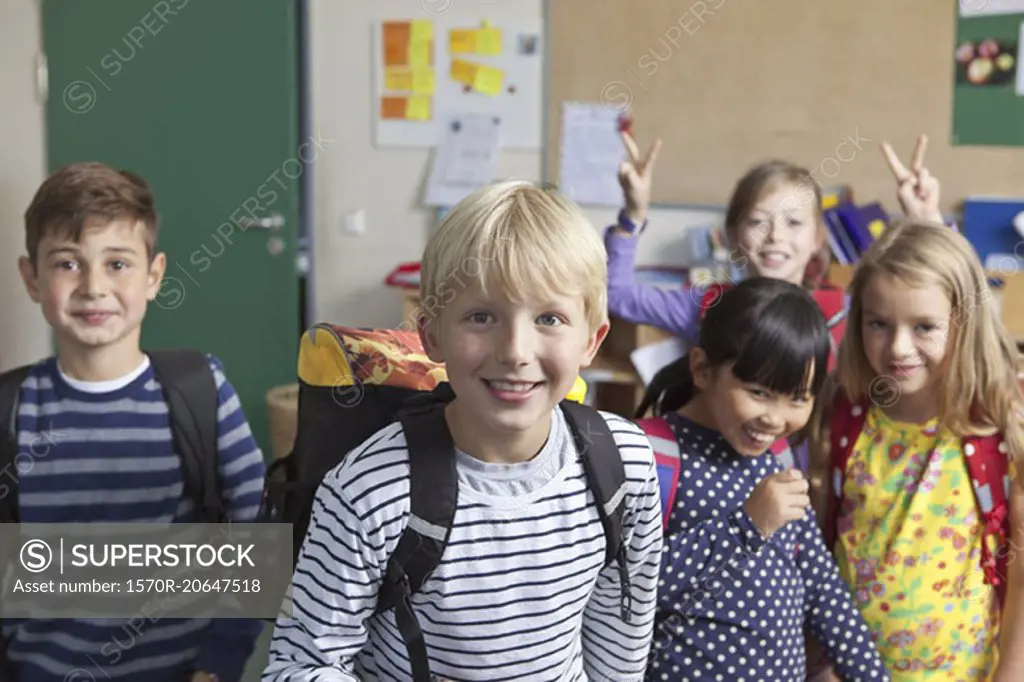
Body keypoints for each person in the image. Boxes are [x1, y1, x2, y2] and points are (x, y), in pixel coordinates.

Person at [262, 181, 664, 681]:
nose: (515, 350)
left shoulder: (624, 463)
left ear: (591, 340)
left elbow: (620, 629)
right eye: (481, 316)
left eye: (549, 317)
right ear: (431, 334)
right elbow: (300, 665)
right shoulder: (367, 490)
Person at [2, 162, 266, 682]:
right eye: (67, 264)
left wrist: (219, 660)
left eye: (117, 263)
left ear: (154, 275)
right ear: (32, 279)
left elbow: (258, 534)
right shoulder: (10, 408)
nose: (94, 286)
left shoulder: (202, 391)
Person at [636, 277, 889, 681]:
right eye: (757, 392)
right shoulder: (650, 453)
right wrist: (745, 526)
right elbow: (625, 585)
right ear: (702, 369)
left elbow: (821, 584)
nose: (774, 418)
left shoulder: (778, 455)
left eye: (798, 399)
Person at [807, 220, 1024, 681]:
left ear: (963, 323)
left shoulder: (998, 425)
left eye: (924, 326)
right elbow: (821, 546)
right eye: (879, 324)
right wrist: (820, 659)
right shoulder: (845, 414)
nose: (899, 347)